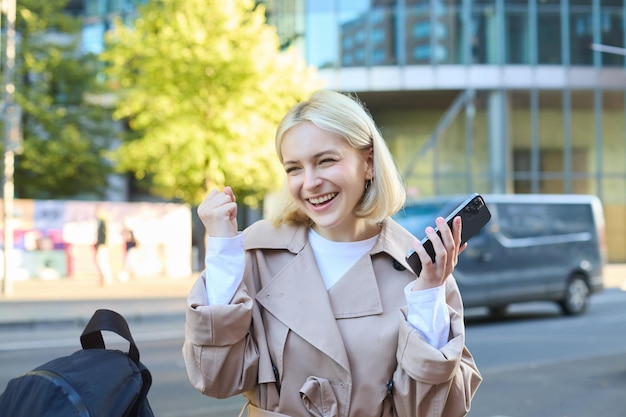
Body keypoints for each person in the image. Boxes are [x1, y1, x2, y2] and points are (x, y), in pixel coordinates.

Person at [183, 90, 482, 417]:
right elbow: (216, 379)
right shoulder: (256, 253)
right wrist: (222, 250)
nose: (309, 182)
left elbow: (437, 411)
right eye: (294, 168)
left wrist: (429, 297)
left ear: (368, 163)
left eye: (326, 161)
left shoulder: (421, 270)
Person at [94, 206, 114, 286]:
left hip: (103, 245)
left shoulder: (104, 221)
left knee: (103, 262)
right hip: (101, 244)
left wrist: (106, 244)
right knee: (101, 261)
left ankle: (107, 278)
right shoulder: (100, 221)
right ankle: (105, 278)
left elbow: (107, 234)